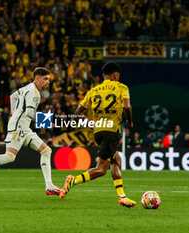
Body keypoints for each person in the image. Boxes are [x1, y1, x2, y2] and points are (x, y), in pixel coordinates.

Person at [0, 67, 60, 196]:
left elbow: (13, 97)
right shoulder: (34, 92)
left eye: (49, 79)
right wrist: (45, 120)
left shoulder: (28, 87)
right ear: (37, 79)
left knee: (46, 151)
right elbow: (29, 112)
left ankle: (49, 186)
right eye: (45, 79)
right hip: (19, 127)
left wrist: (14, 114)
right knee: (9, 157)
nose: (48, 82)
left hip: (23, 126)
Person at [59, 62, 137, 207]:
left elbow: (78, 111)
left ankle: (122, 197)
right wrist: (130, 122)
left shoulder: (94, 90)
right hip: (111, 131)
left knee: (116, 160)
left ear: (103, 75)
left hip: (98, 132)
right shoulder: (122, 87)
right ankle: (73, 180)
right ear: (115, 75)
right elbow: (127, 106)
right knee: (101, 169)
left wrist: (90, 123)